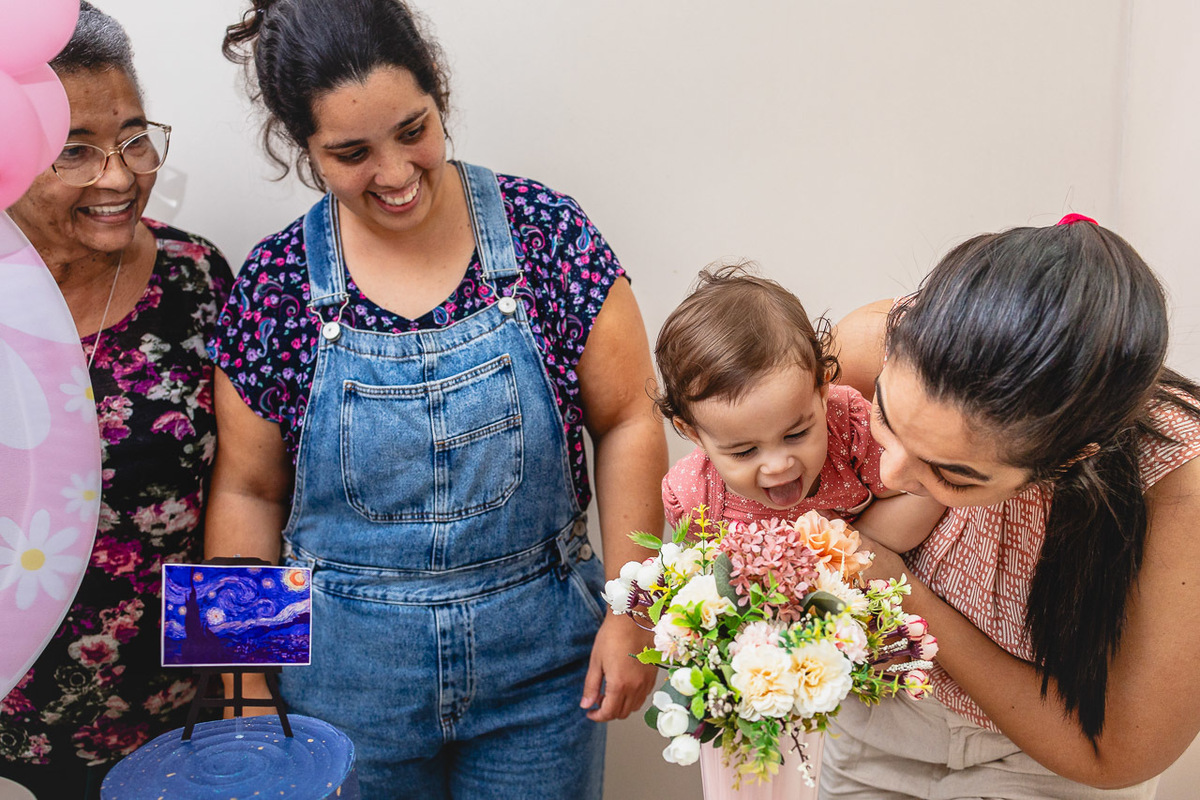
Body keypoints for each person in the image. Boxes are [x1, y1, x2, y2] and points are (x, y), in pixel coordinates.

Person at [207, 1, 666, 797]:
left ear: (439, 94)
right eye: (351, 152)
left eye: (413, 130)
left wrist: (636, 611)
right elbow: (245, 490)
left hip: (542, 669)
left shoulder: (547, 232)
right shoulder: (275, 283)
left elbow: (628, 419)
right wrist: (242, 687)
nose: (393, 173)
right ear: (303, 148)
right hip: (342, 683)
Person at [820, 215, 1200, 799]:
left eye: (953, 474)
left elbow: (1117, 753)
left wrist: (910, 598)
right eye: (885, 419)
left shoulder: (1178, 483)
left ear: (1072, 459)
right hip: (881, 713)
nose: (893, 473)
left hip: (1047, 756)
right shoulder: (867, 346)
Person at [0, 4, 234, 797]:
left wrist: (241, 694)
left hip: (172, 719)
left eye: (134, 138)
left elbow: (251, 492)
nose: (120, 174)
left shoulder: (196, 278)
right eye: (76, 151)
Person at [654, 263, 945, 800]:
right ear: (691, 431)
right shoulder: (695, 496)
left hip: (859, 648)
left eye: (797, 432)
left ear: (822, 387)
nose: (777, 465)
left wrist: (849, 551)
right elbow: (702, 589)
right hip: (770, 669)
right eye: (743, 451)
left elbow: (920, 489)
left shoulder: (851, 428)